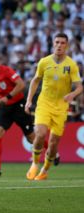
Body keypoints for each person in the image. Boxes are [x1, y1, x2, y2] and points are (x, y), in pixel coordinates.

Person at [25, 33, 83, 181]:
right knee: (40, 133)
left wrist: (72, 94)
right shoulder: (44, 62)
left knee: (53, 143)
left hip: (61, 107)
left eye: (63, 43)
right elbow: (35, 80)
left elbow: (79, 87)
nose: (59, 45)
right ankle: (35, 163)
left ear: (67, 45)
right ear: (53, 44)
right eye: (57, 42)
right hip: (44, 103)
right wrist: (29, 100)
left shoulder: (71, 65)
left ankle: (45, 170)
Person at [0, 51, 48, 177]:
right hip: (5, 109)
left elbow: (21, 84)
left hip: (19, 106)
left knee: (32, 138)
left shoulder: (6, 71)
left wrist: (8, 97)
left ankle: (51, 151)